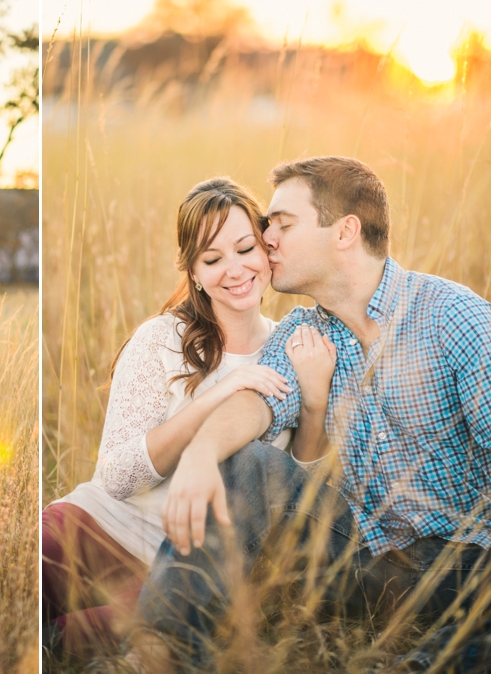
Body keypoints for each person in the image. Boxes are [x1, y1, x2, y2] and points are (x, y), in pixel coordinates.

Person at [118, 156, 491, 673]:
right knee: (244, 464)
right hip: (361, 558)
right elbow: (253, 403)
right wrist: (202, 452)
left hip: (470, 562)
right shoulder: (304, 331)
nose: (266, 238)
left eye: (282, 224)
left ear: (345, 232)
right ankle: (155, 656)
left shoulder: (453, 318)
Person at [42, 178, 336, 663]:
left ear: (267, 250)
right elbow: (116, 476)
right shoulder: (161, 340)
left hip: (182, 567)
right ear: (195, 273)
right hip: (94, 527)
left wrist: (315, 403)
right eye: (213, 259)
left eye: (245, 248)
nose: (235, 269)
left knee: (75, 642)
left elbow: (290, 498)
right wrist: (212, 398)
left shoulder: (295, 345)